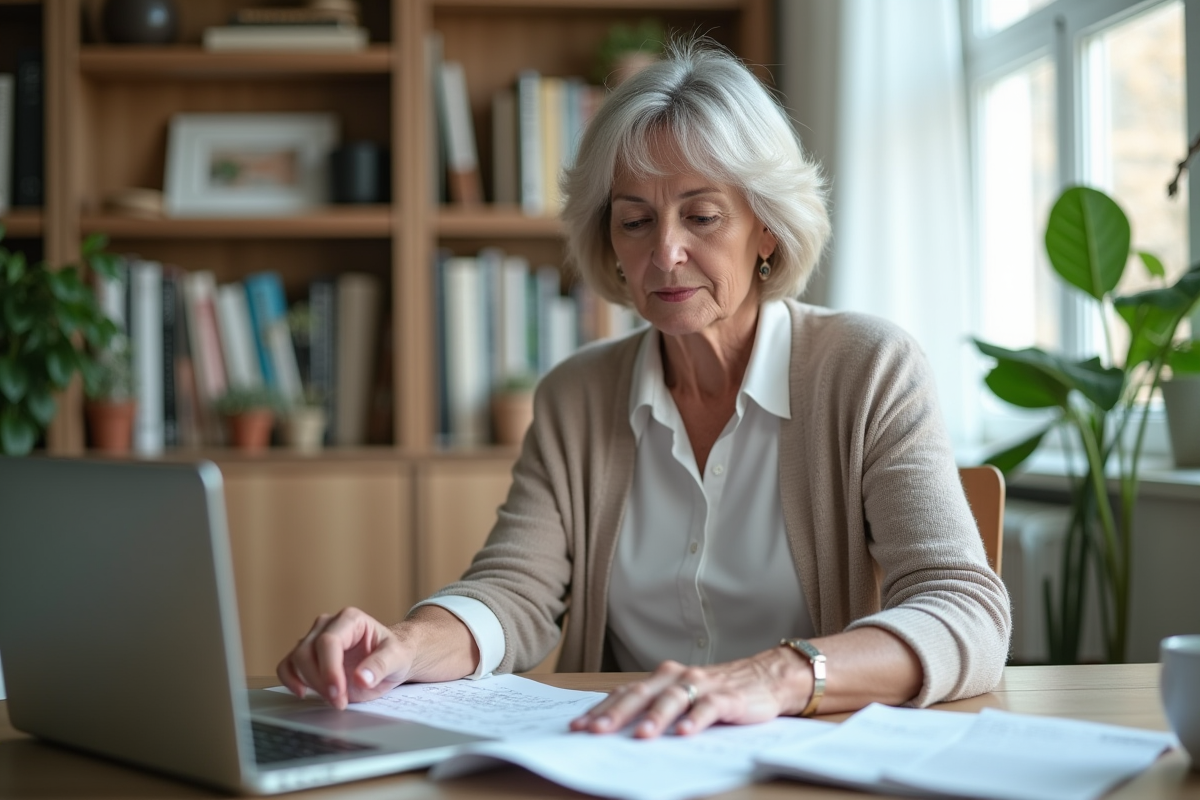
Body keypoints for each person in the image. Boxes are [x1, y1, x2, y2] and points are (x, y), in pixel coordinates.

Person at [278, 38, 1011, 739]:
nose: (665, 253)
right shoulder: (577, 394)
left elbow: (966, 609)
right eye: (635, 220)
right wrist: (404, 646)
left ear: (767, 229)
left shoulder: (868, 367)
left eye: (701, 215)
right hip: (627, 754)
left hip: (806, 755)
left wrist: (774, 677)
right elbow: (515, 591)